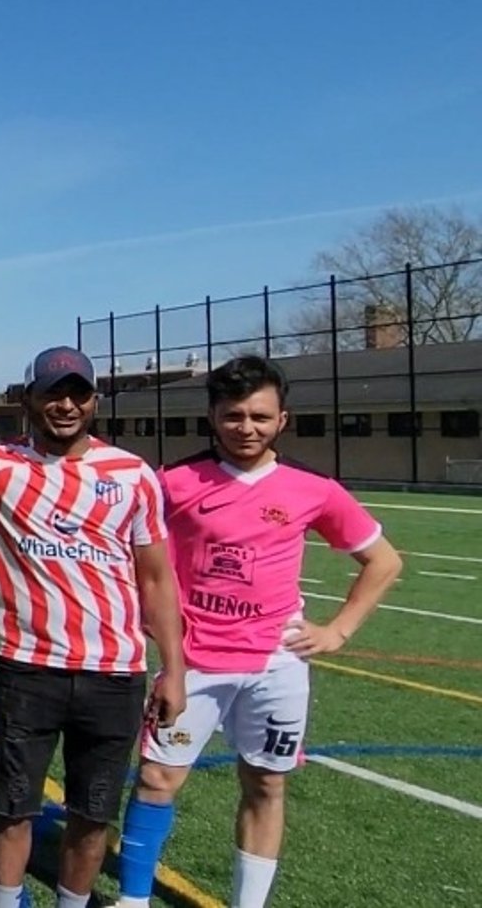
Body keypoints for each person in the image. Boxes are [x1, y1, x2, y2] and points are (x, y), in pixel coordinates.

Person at [114, 356, 403, 908]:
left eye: (260, 416)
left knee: (266, 783)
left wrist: (338, 630)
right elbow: (134, 556)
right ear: (212, 417)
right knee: (156, 780)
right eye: (233, 415)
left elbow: (383, 561)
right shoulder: (172, 483)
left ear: (282, 420)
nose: (246, 427)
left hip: (276, 666)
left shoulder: (313, 488)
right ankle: (132, 901)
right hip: (194, 662)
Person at [0, 346, 187, 908]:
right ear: (28, 399)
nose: (66, 405)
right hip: (28, 669)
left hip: (114, 675)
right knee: (12, 807)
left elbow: (157, 578)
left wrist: (175, 670)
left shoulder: (132, 475)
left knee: (92, 814)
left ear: (94, 401)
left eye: (78, 394)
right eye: (53, 393)